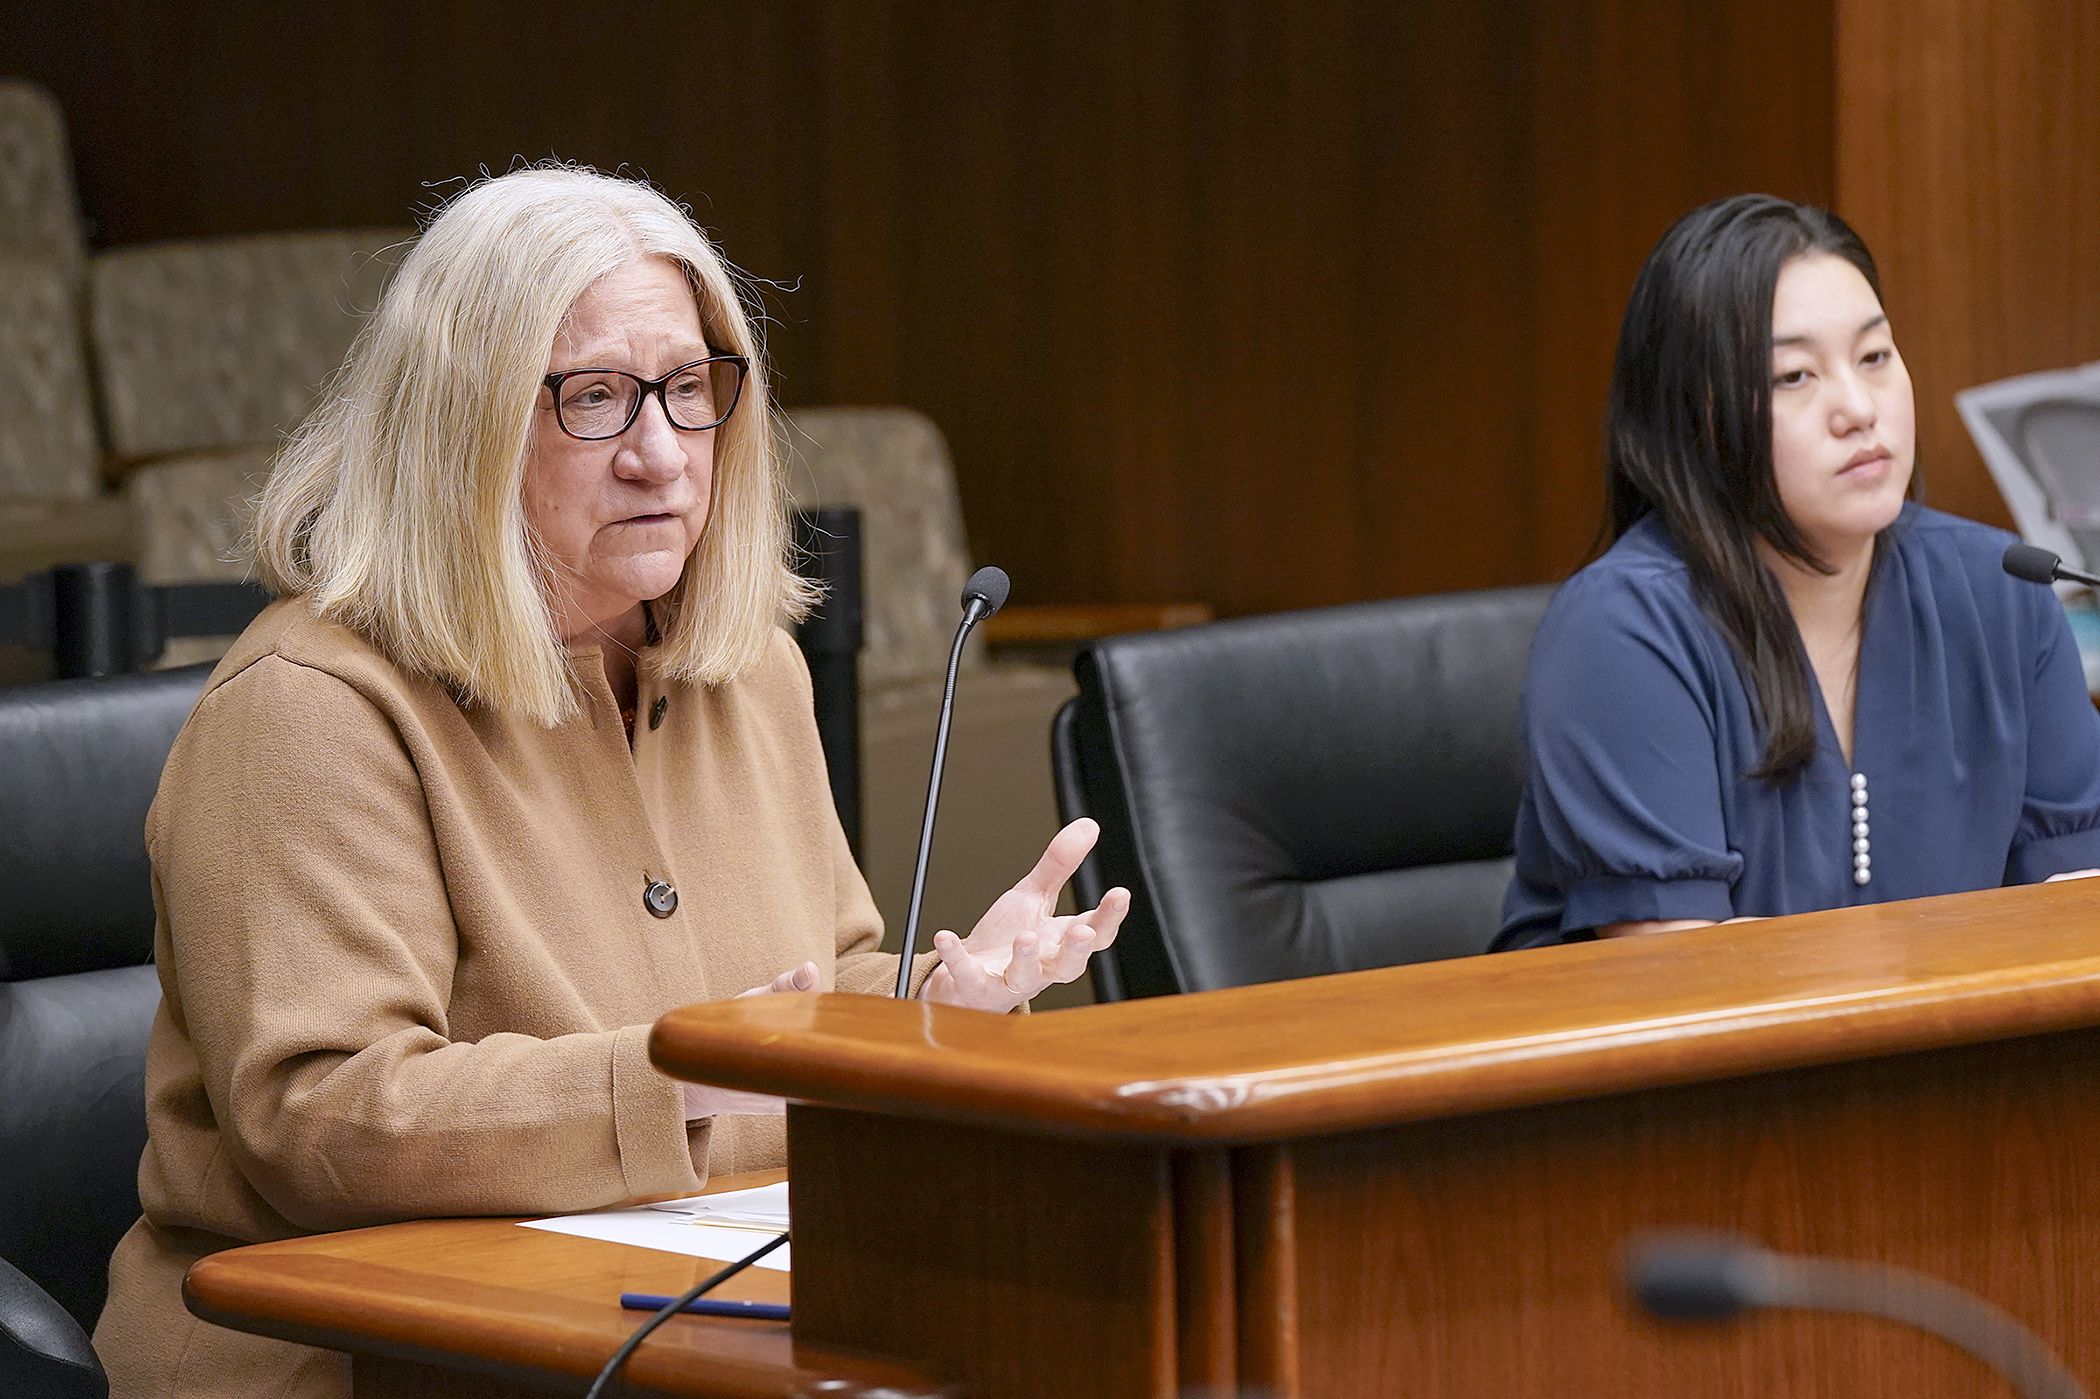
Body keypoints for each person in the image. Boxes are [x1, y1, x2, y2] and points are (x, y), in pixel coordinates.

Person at [94, 166, 1129, 1398]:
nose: (660, 454)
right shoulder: (308, 709)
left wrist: (935, 1010)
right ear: (460, 423)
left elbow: (814, 990)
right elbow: (323, 1121)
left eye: (689, 391)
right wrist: (683, 1073)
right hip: (375, 1358)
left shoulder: (754, 671)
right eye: (595, 398)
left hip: (692, 1322)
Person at [1495, 194, 2100, 951]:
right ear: (1696, 414)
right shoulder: (1621, 633)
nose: (1857, 407)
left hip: (1969, 1066)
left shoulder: (2001, 589)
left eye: (1875, 357)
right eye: (1793, 377)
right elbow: (1683, 979)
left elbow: (2076, 923)